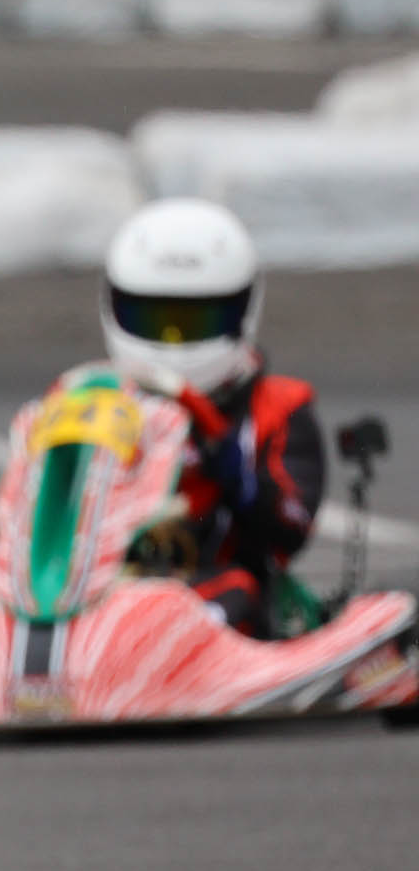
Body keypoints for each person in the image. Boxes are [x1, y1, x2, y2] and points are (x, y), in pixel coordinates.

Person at [100, 198, 325, 634]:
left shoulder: (277, 408)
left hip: (215, 589)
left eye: (194, 322)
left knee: (235, 596)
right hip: (97, 587)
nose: (172, 343)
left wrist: (234, 473)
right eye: (152, 319)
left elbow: (290, 529)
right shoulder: (91, 400)